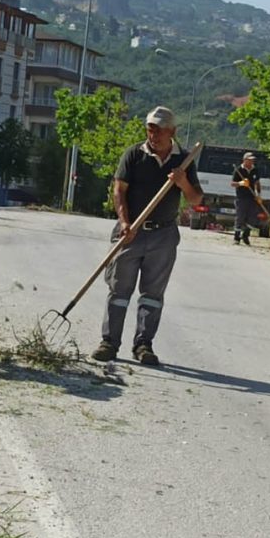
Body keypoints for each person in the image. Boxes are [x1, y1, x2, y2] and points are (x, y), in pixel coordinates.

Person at [92, 106, 203, 366]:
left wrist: (182, 182)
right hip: (131, 231)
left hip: (163, 234)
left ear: (172, 132)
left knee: (153, 294)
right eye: (150, 129)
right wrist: (124, 222)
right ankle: (109, 342)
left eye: (159, 131)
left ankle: (143, 345)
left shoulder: (183, 160)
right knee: (119, 290)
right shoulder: (133, 154)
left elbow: (196, 198)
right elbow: (119, 191)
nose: (153, 135)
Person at [231, 152, 261, 245]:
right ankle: (236, 237)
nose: (252, 161)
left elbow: (257, 183)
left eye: (252, 160)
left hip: (252, 198)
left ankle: (245, 235)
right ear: (245, 160)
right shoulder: (239, 170)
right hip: (241, 197)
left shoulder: (255, 170)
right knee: (240, 217)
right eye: (250, 160)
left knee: (252, 218)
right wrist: (241, 183)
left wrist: (258, 194)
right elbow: (232, 183)